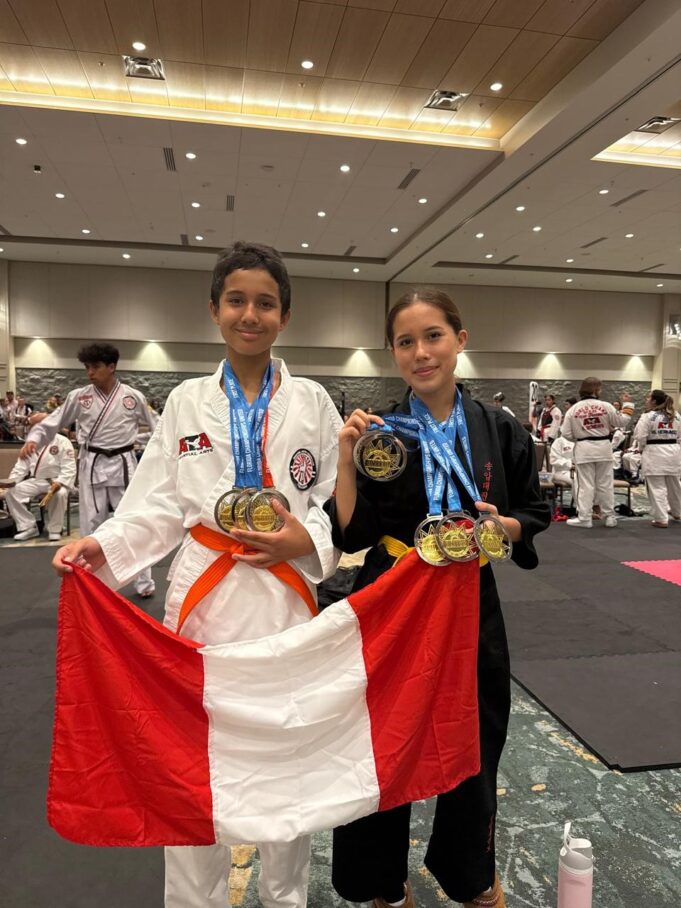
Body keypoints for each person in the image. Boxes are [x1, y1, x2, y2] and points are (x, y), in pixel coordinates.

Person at [51, 241, 342, 908]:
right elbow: (156, 499)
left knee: (286, 761)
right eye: (236, 300)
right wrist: (104, 545)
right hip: (203, 598)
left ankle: (284, 896)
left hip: (286, 597)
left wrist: (307, 539)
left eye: (265, 303)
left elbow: (328, 497)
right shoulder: (184, 401)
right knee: (190, 769)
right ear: (214, 310)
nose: (250, 314)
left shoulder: (312, 401)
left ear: (284, 316)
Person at [326, 288, 550, 908]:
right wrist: (345, 459)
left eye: (433, 336)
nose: (420, 352)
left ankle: (470, 873)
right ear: (392, 352)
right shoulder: (381, 435)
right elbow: (352, 531)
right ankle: (379, 884)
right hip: (393, 599)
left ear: (460, 340)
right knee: (383, 741)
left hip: (469, 597)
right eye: (405, 341)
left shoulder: (500, 428)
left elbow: (534, 511)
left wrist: (500, 527)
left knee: (476, 739)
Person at [20, 343, 157, 598]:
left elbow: (158, 425)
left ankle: (145, 582)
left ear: (111, 367)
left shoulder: (132, 397)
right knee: (91, 525)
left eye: (95, 367)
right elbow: (54, 420)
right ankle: (90, 582)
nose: (90, 373)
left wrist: (157, 447)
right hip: (92, 462)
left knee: (133, 521)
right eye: (87, 367)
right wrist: (35, 439)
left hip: (125, 463)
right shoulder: (79, 396)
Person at [560, 378, 633, 528]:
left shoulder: (573, 409)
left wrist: (580, 437)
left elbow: (565, 433)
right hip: (604, 447)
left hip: (584, 448)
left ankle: (585, 518)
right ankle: (610, 517)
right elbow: (622, 421)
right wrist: (627, 405)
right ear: (596, 390)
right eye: (599, 389)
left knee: (585, 485)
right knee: (605, 484)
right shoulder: (606, 406)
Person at [3, 413, 76, 540]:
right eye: (32, 426)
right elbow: (21, 467)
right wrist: (10, 483)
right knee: (11, 492)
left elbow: (69, 468)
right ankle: (29, 526)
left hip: (57, 480)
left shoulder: (62, 441)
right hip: (36, 480)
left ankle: (55, 529)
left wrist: (60, 482)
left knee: (60, 494)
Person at [633, 389, 681, 527]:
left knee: (657, 487)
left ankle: (661, 518)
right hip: (674, 452)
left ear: (654, 401)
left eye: (648, 397)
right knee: (675, 485)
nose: (646, 400)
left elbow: (640, 436)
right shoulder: (676, 415)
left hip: (655, 452)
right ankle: (677, 512)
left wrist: (641, 449)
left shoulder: (648, 416)